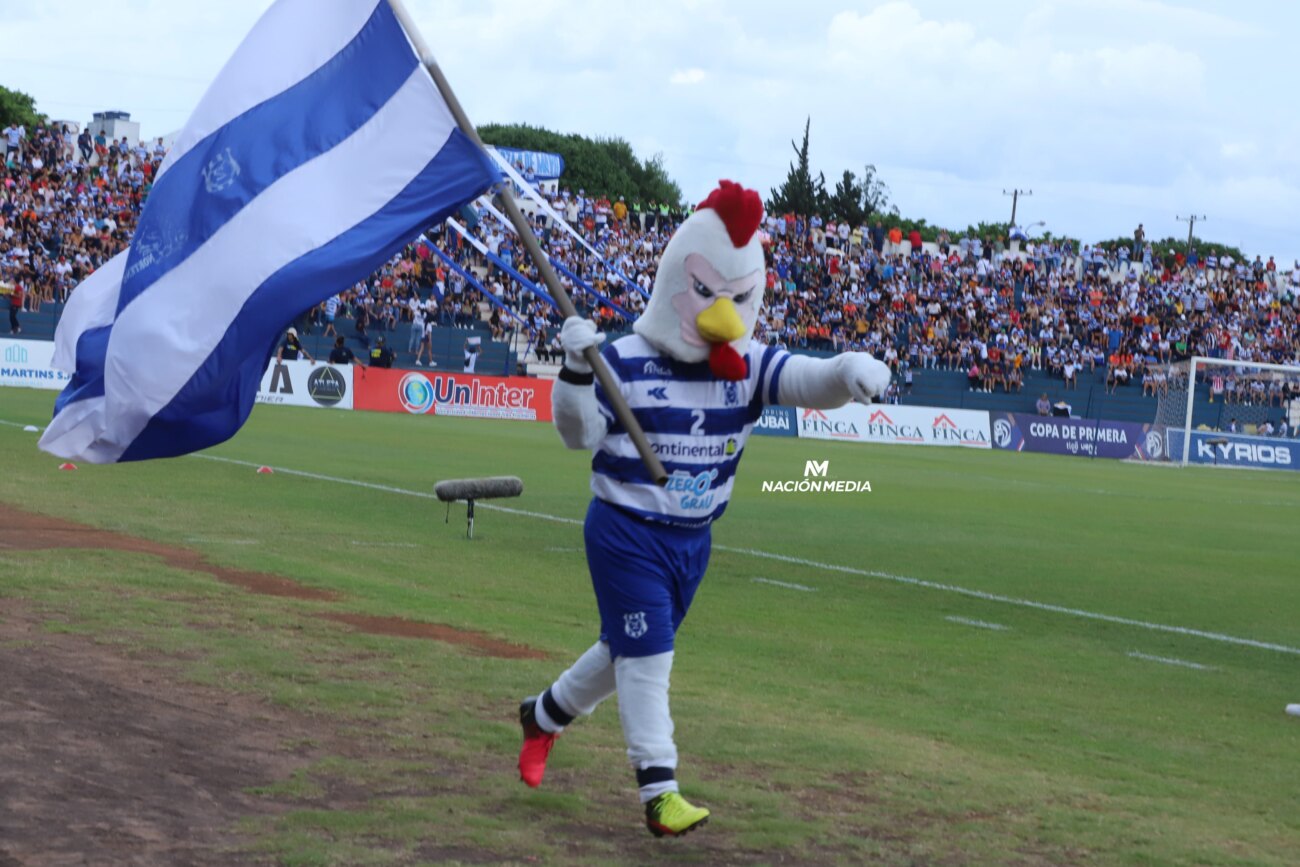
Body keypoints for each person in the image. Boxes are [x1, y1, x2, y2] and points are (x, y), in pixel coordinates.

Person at [516, 182, 890, 838]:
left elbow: (806, 377)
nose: (723, 313)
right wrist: (576, 370)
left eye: (738, 297)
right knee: (648, 655)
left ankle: (542, 716)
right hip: (626, 530)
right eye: (709, 293)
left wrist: (848, 368)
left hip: (694, 540)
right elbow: (576, 434)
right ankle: (659, 789)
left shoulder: (745, 365)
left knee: (624, 649)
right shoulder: (624, 361)